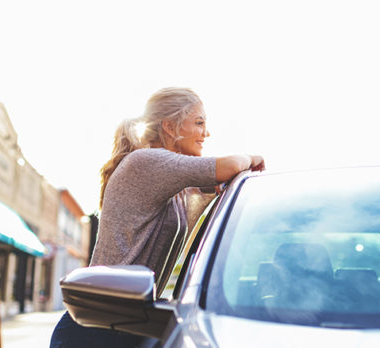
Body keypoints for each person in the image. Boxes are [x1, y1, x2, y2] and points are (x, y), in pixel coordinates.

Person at [49, 87, 265, 348]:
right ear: (170, 127)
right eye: (199, 123)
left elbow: (214, 185)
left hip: (130, 326)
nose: (206, 133)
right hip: (95, 329)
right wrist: (253, 158)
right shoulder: (146, 162)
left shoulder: (174, 182)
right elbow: (229, 166)